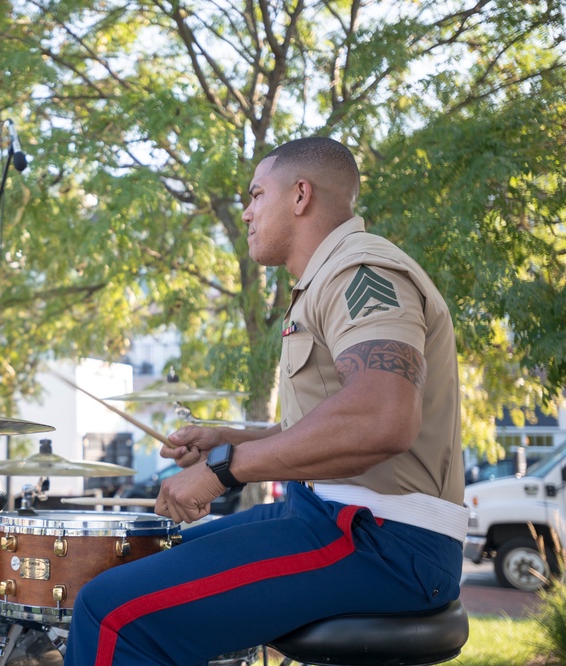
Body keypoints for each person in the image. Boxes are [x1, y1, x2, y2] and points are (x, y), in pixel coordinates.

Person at [64, 137, 468, 664]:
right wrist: (229, 438)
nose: (249, 212)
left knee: (110, 611)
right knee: (147, 558)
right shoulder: (324, 279)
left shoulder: (361, 273)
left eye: (256, 195)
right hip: (334, 517)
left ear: (300, 196)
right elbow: (330, 422)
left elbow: (381, 417)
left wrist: (224, 471)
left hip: (387, 542)